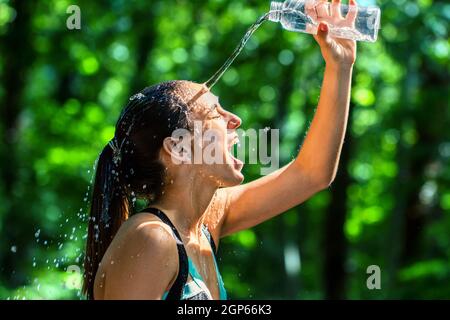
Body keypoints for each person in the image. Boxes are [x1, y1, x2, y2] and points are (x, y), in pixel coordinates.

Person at [83, 0, 357, 300]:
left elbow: (312, 173)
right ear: (179, 148)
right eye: (215, 113)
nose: (235, 120)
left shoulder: (203, 226)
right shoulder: (151, 238)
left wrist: (339, 66)